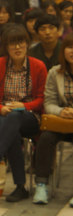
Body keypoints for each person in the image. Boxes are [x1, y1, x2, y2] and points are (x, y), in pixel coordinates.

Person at [0, 25, 47, 202]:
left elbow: (42, 99)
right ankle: (20, 187)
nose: (17, 47)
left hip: (28, 114)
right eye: (12, 44)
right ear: (6, 47)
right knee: (12, 130)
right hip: (0, 114)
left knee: (14, 118)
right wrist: (0, 108)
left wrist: (24, 106)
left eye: (21, 43)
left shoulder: (38, 66)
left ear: (27, 44)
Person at [32, 34, 73, 204]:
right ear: (63, 51)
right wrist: (61, 111)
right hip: (61, 121)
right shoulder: (55, 72)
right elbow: (48, 102)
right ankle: (41, 185)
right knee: (46, 138)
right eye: (70, 47)